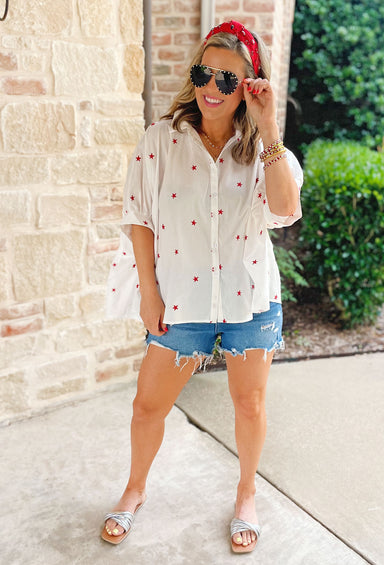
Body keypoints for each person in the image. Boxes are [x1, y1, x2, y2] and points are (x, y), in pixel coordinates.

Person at [102, 20, 303, 554]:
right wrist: (148, 291)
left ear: (249, 88)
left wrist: (270, 131)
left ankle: (246, 494)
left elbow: (285, 209)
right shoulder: (160, 140)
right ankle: (135, 489)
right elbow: (139, 217)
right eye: (204, 73)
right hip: (179, 301)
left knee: (250, 406)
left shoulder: (263, 148)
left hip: (249, 298)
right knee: (148, 407)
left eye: (228, 79)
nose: (212, 87)